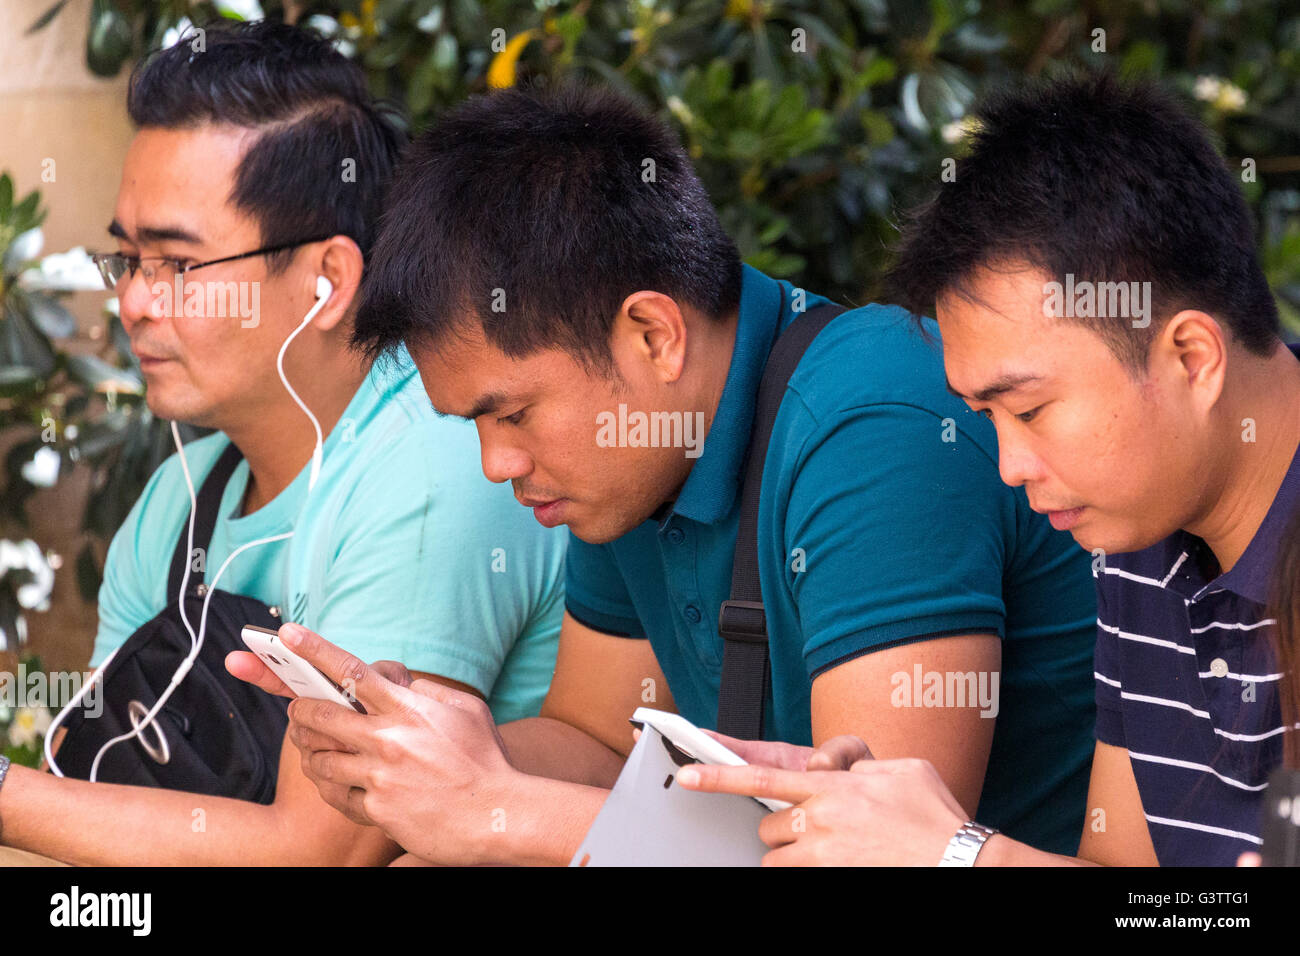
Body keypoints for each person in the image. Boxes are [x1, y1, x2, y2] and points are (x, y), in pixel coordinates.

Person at [233, 82, 1101, 866]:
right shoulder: (637, 460)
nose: (499, 464)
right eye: (474, 427)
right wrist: (442, 752)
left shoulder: (871, 421)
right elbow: (599, 744)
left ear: (653, 334)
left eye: (513, 413)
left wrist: (495, 809)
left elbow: (860, 848)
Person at [677, 71, 1300, 866]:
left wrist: (964, 855)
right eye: (987, 419)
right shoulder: (1140, 540)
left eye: (1031, 411)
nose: (1009, 466)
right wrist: (886, 817)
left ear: (1191, 356)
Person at [0, 21, 564, 867]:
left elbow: (325, 853)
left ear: (327, 282)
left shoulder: (432, 467)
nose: (137, 305)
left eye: (179, 265)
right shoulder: (172, 508)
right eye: (127, 258)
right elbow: (100, 787)